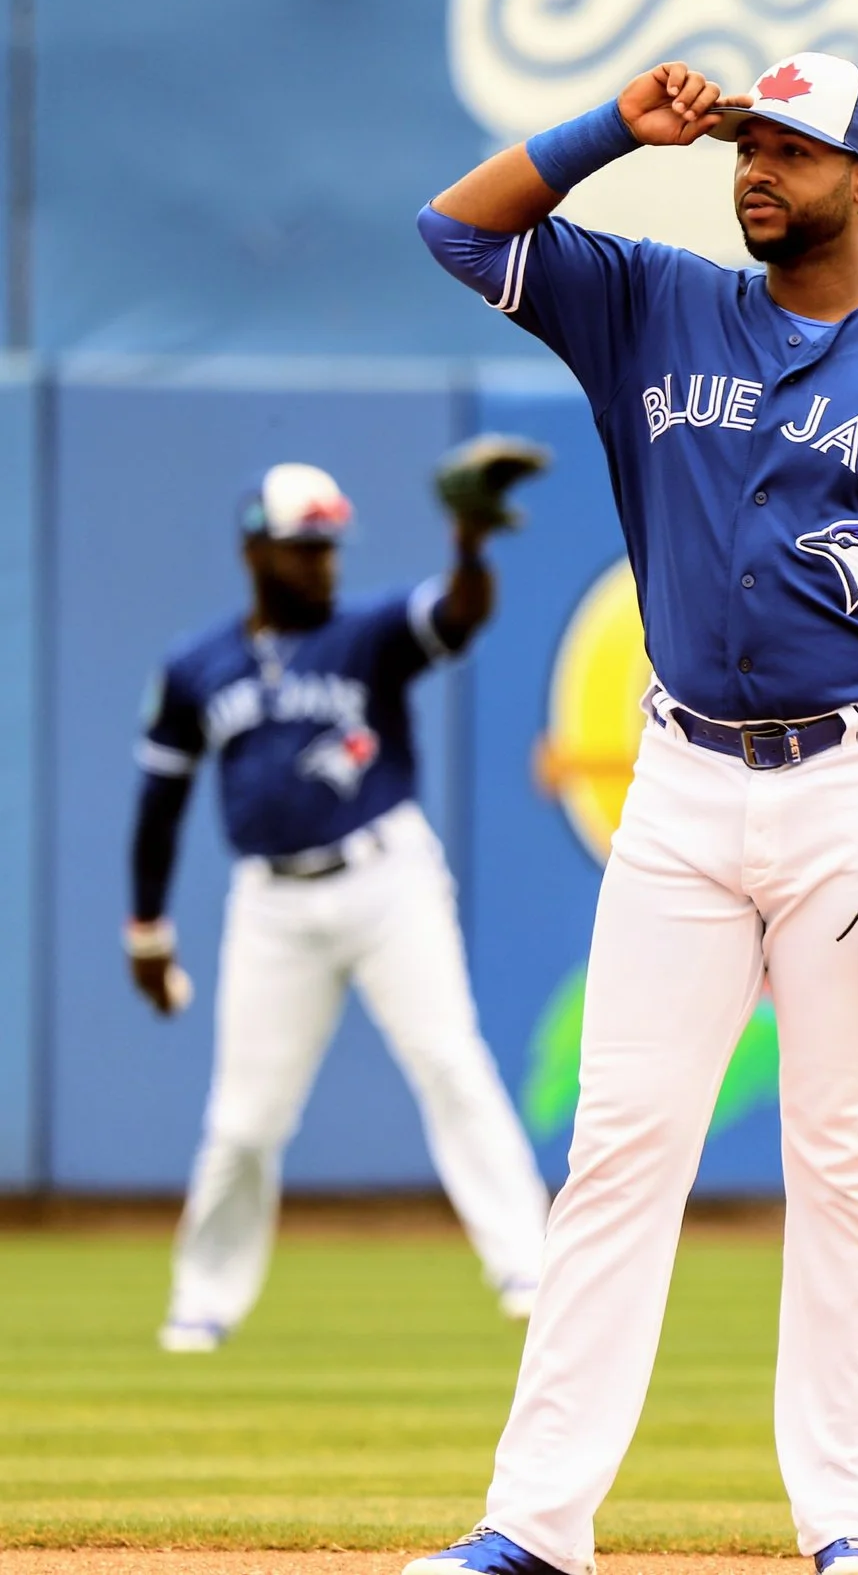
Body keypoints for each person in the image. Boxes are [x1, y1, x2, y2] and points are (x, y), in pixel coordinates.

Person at [406, 53, 858, 1575]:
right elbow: (457, 229)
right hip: (681, 783)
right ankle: (535, 1521)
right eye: (748, 146)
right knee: (620, 1145)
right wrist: (617, 129)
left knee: (842, 1157)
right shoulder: (649, 302)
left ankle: (851, 1523)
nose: (757, 171)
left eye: (794, 150)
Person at [129, 460, 551, 1353]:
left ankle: (530, 1265)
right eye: (302, 547)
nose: (321, 563)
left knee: (449, 1060)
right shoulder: (197, 666)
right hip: (271, 902)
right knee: (244, 1120)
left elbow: (459, 614)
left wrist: (470, 544)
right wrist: (148, 930)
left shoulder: (367, 633)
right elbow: (160, 801)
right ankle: (204, 1297)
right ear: (255, 551)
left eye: (327, 547)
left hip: (386, 877)